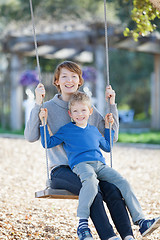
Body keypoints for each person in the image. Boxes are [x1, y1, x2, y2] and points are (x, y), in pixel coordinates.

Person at [24, 60, 135, 240]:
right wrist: (37, 103)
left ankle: (128, 236)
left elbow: (111, 138)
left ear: (79, 81)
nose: (69, 80)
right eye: (64, 76)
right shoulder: (48, 108)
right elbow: (30, 136)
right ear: (57, 81)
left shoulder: (84, 107)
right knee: (94, 190)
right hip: (62, 170)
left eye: (74, 76)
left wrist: (112, 105)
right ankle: (108, 236)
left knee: (113, 189)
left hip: (89, 167)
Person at [39, 91, 160, 240]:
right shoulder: (66, 130)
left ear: (90, 111)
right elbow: (47, 143)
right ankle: (82, 224)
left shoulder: (94, 130)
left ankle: (141, 221)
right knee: (90, 181)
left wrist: (109, 127)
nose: (80, 114)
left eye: (83, 110)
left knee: (123, 182)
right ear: (70, 114)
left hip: (100, 165)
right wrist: (43, 123)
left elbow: (108, 147)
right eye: (75, 111)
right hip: (81, 165)